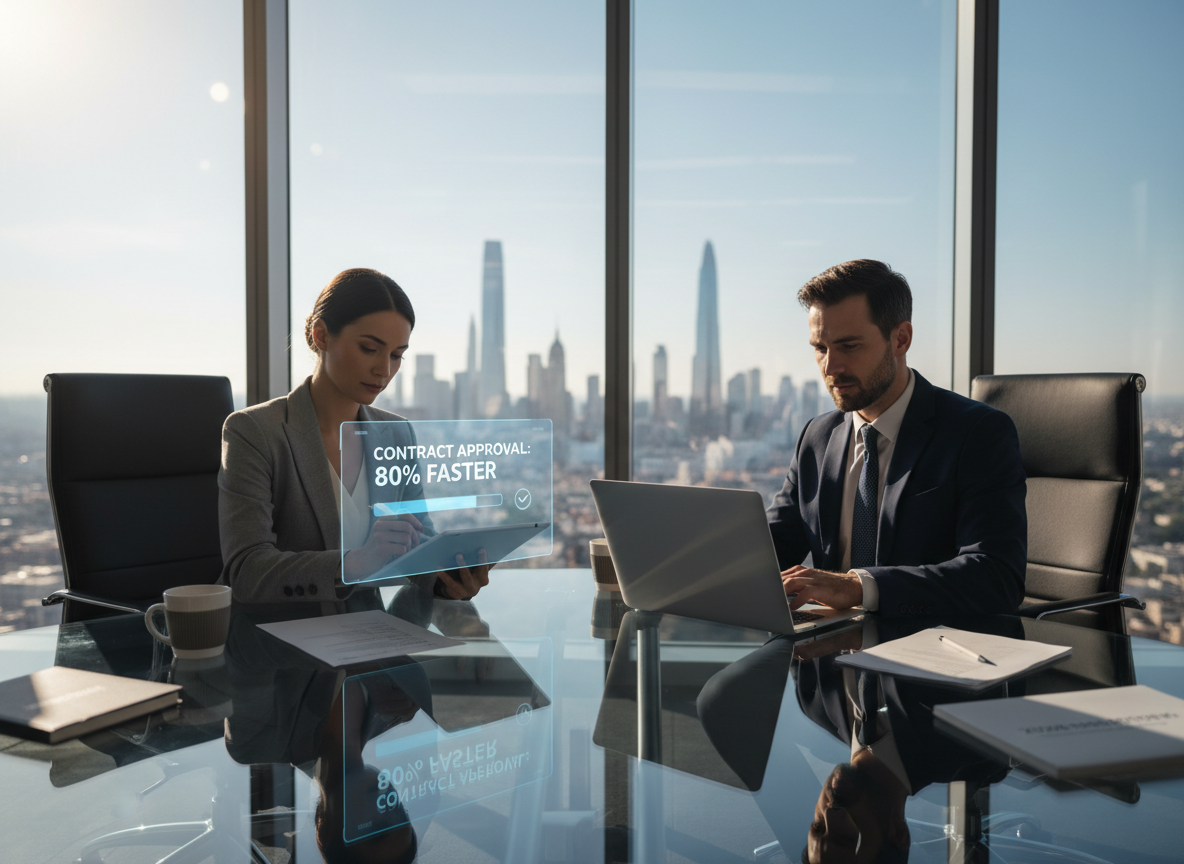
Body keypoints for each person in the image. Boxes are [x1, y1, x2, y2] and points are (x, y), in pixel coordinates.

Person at [218, 267, 490, 606]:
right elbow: (246, 571)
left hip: (374, 637)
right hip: (278, 642)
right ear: (322, 336)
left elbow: (418, 541)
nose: (384, 370)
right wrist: (353, 563)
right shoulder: (255, 432)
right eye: (369, 348)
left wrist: (448, 579)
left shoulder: (397, 434)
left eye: (396, 355)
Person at [768, 260, 1026, 617]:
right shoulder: (817, 437)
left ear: (900, 339)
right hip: (824, 657)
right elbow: (769, 549)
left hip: (930, 655)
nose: (830, 367)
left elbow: (997, 577)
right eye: (820, 348)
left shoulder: (977, 434)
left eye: (849, 346)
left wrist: (857, 587)